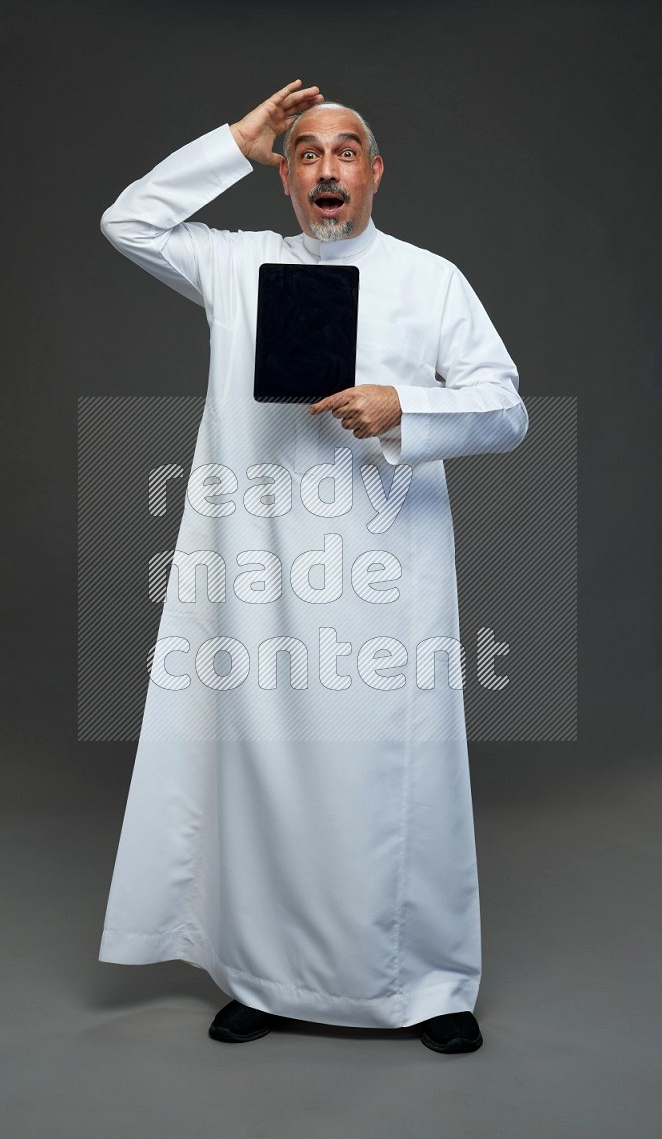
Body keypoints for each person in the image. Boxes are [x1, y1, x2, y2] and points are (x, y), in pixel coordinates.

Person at [98, 80, 528, 1054]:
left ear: (372, 173)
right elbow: (129, 220)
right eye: (304, 153)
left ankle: (425, 983)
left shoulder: (430, 279)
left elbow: (505, 408)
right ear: (285, 179)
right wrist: (229, 142)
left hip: (385, 571)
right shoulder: (236, 266)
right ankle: (266, 973)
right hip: (259, 574)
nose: (325, 166)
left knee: (396, 777)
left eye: (344, 151)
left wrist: (404, 410)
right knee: (266, 770)